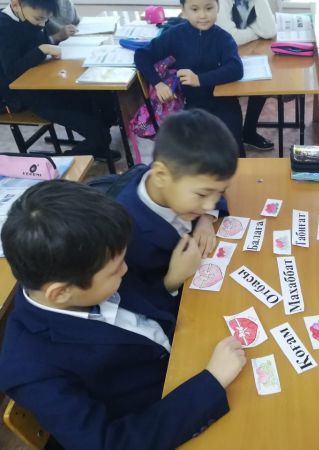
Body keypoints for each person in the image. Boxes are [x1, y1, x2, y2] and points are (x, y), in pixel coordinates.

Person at [0, 180, 246, 450]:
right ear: (60, 293)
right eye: (114, 271)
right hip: (171, 410)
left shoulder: (91, 260)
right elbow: (110, 443)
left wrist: (170, 283)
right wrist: (211, 383)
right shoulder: (31, 370)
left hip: (187, 350)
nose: (126, 270)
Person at [116, 109, 236, 314]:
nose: (210, 204)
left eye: (218, 193)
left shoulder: (180, 175)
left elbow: (214, 187)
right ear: (160, 175)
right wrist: (172, 281)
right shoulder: (125, 234)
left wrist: (206, 219)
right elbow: (134, 301)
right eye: (202, 194)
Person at [0, 0, 119, 161]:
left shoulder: (31, 16)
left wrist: (47, 44)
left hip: (44, 82)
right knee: (98, 133)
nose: (42, 24)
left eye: (46, 20)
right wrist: (42, 49)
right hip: (20, 95)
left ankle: (99, 143)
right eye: (38, 19)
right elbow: (13, 71)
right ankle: (59, 162)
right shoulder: (4, 27)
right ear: (15, 4)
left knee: (103, 100)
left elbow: (36, 45)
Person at [135, 0, 245, 155]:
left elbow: (236, 69)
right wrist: (158, 84)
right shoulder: (175, 35)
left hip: (224, 103)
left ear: (218, 7)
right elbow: (142, 56)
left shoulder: (223, 38)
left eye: (209, 8)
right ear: (184, 10)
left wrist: (199, 79)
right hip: (192, 104)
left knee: (232, 146)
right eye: (194, 9)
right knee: (193, 151)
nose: (203, 15)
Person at [217, 0, 276, 151]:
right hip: (219, 58)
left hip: (244, 52)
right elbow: (230, 37)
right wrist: (256, 33)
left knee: (261, 81)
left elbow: (269, 31)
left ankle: (249, 131)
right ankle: (232, 137)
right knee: (229, 98)